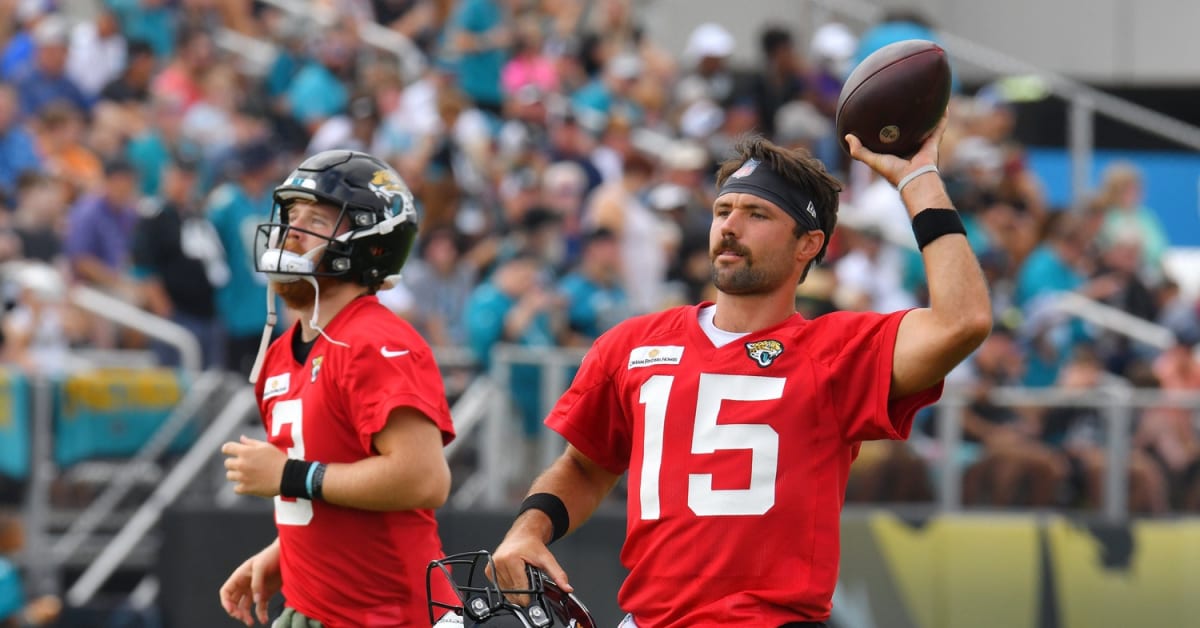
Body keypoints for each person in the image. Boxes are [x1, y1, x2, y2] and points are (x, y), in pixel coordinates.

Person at [490, 117, 993, 626]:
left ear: (808, 244)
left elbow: (962, 321)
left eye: (757, 213)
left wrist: (918, 179)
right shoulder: (632, 344)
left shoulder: (837, 352)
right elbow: (584, 465)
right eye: (723, 210)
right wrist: (529, 529)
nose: (730, 225)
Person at [218, 150, 458, 627]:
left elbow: (423, 479)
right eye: (290, 216)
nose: (292, 230)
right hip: (318, 609)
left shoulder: (375, 341)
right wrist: (286, 549)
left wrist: (289, 477)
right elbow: (335, 480)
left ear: (370, 241)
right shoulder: (283, 351)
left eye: (316, 219)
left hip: (392, 616)